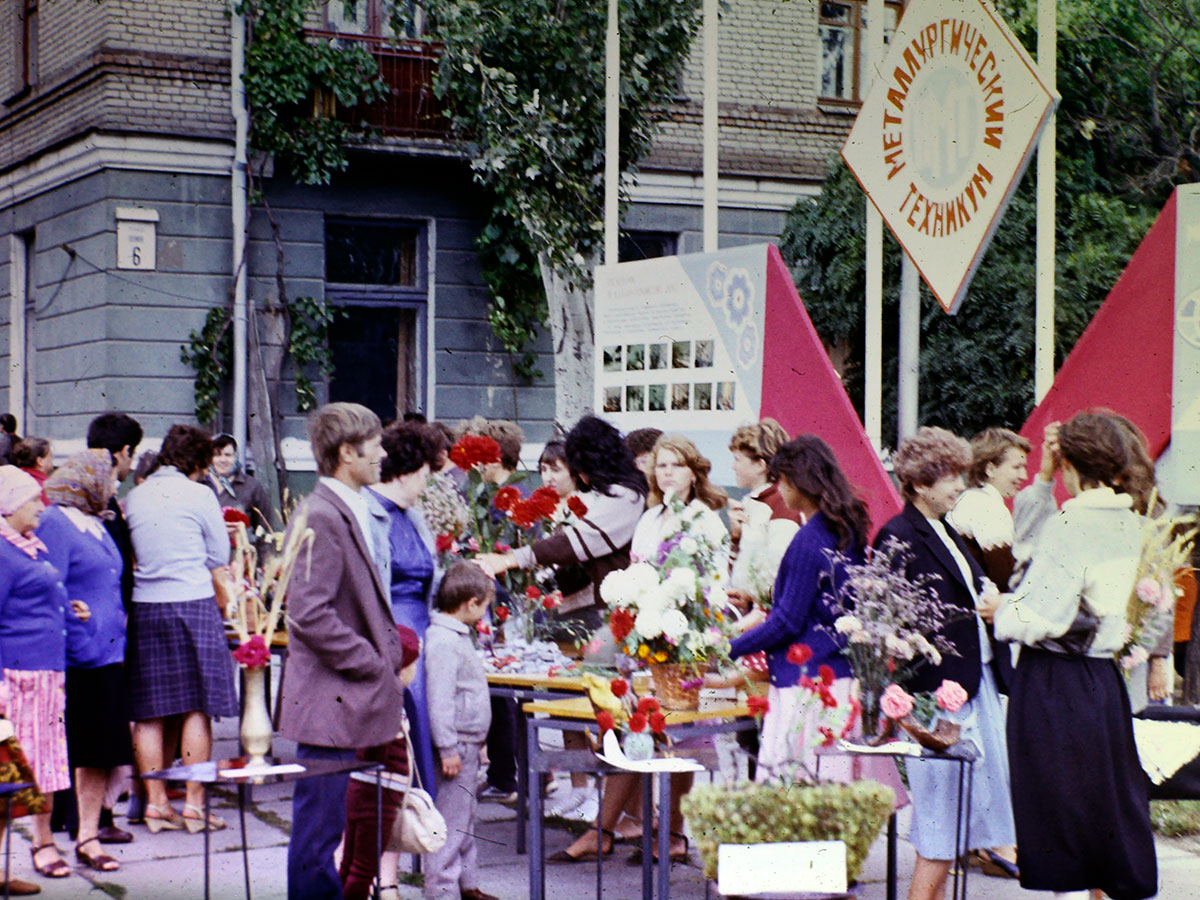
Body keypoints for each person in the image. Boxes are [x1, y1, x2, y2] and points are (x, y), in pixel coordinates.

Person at [983, 412, 1157, 900]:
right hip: (1100, 681)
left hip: (1053, 681)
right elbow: (1038, 559)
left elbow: (1038, 608)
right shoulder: (1128, 519)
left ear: (1072, 462)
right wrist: (1043, 480)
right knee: (1103, 807)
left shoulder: (1072, 522)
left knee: (1062, 815)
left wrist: (1002, 610)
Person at [875, 426, 1018, 897]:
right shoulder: (897, 534)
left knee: (952, 825)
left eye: (959, 474)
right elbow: (886, 627)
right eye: (949, 477)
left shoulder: (946, 529)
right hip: (938, 698)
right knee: (939, 828)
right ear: (918, 484)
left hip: (971, 688)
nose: (959, 485)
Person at [277, 403, 406, 900]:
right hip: (330, 704)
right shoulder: (323, 514)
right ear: (347, 452)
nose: (383, 453)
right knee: (317, 839)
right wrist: (373, 664)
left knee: (323, 834)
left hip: (340, 702)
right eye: (375, 444)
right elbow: (309, 615)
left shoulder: (340, 506)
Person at [727, 436, 866, 778]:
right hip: (839, 678)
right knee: (834, 795)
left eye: (782, 480)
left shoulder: (809, 540)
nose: (781, 489)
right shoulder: (847, 530)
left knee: (793, 797)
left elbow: (787, 621)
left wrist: (730, 648)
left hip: (803, 683)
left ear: (797, 482)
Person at [124, 425, 237, 834]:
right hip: (191, 600)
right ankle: (192, 804)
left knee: (149, 710)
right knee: (197, 704)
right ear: (197, 462)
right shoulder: (200, 494)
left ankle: (155, 803)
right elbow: (218, 554)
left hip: (146, 605)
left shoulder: (136, 495)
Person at [35, 451, 134, 872]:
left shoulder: (96, 522)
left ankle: (88, 836)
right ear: (87, 480)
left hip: (108, 656)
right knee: (61, 753)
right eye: (109, 479)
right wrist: (81, 642)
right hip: (77, 659)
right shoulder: (56, 523)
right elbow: (51, 588)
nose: (114, 486)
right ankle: (44, 843)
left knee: (99, 752)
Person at [0, 466, 79, 880]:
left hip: (47, 674)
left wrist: (69, 609)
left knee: (45, 764)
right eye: (33, 499)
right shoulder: (1, 552)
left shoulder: (32, 545)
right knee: (12, 769)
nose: (41, 507)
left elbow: (44, 594)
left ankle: (43, 841)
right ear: (11, 505)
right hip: (16, 679)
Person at [368, 421, 441, 795]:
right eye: (425, 475)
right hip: (394, 629)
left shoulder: (412, 515)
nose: (425, 485)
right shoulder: (367, 513)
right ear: (408, 471)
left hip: (420, 626)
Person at [423, 562, 500, 900]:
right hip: (457, 747)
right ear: (470, 603)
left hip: (469, 744)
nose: (485, 612)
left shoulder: (455, 636)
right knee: (450, 826)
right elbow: (439, 700)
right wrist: (448, 747)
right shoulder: (443, 641)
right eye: (484, 605)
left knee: (465, 820)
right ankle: (442, 892)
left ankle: (468, 886)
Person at [85, 412, 142, 833]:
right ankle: (99, 817)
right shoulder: (101, 503)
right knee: (105, 731)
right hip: (105, 632)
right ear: (123, 452)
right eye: (131, 454)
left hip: (101, 631)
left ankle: (91, 817)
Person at [340, 624, 422, 900]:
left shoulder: (373, 694)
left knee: (350, 859)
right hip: (380, 793)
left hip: (361, 788)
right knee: (365, 866)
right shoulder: (387, 699)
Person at [946, 426, 1031, 694]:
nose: (1024, 476)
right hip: (979, 634)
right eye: (1016, 467)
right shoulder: (986, 506)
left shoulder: (973, 501)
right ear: (991, 468)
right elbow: (1005, 576)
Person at [206, 434, 273, 536]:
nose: (223, 460)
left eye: (228, 455)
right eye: (217, 455)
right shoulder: (201, 484)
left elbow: (264, 527)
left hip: (240, 549)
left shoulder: (251, 486)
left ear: (236, 456)